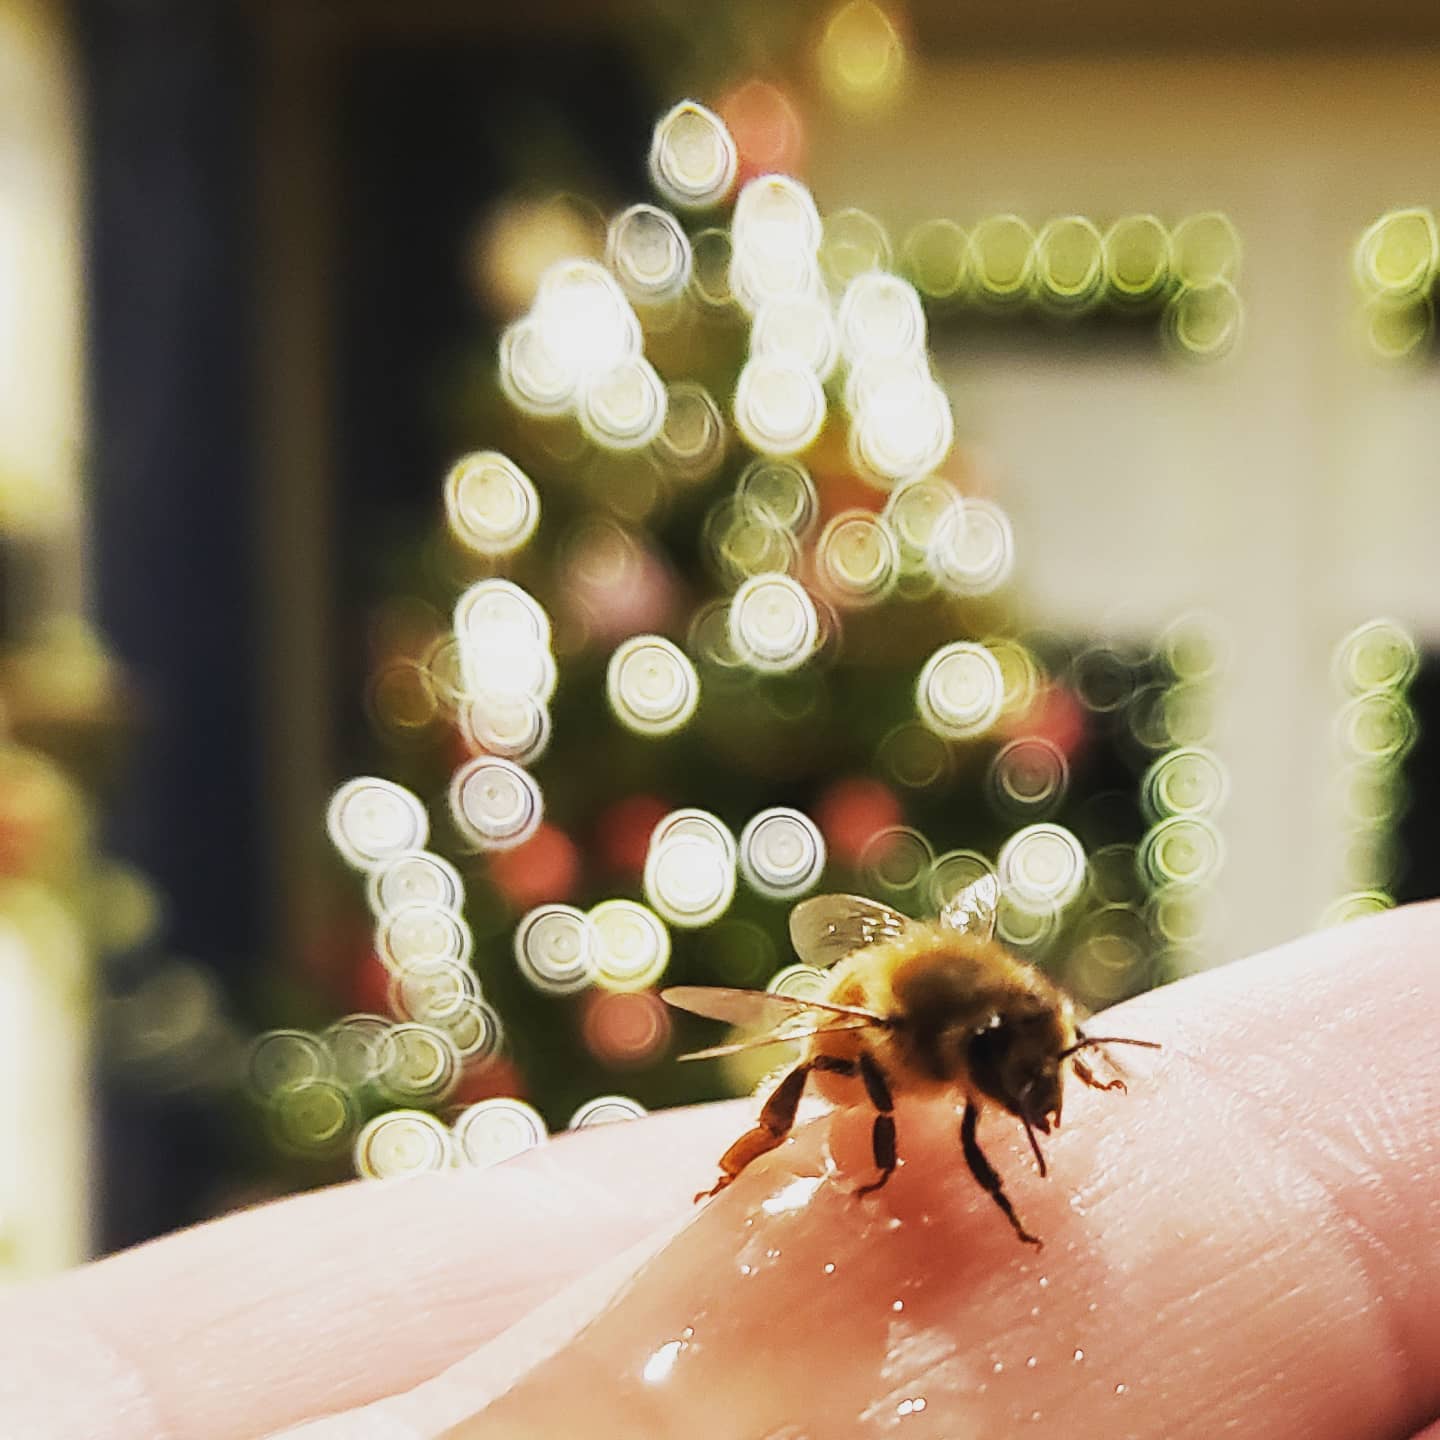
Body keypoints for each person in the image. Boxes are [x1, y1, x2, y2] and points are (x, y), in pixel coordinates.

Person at [3, 902, 1438, 1439]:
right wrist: (896, 1178)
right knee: (821, 1074)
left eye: (1041, 1063)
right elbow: (867, 1041)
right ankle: (755, 1156)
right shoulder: (904, 1033)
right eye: (1025, 1075)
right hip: (860, 1023)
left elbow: (1031, 1008)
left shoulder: (1011, 1010)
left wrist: (1084, 1056)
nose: (1034, 1092)